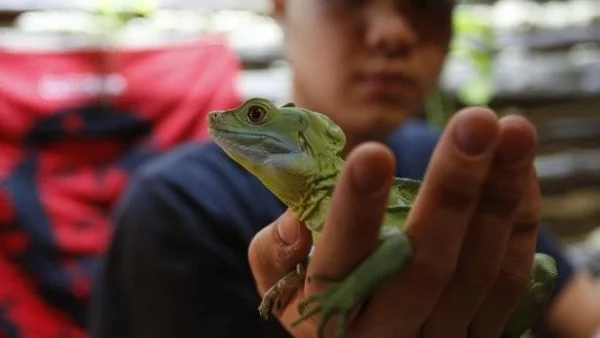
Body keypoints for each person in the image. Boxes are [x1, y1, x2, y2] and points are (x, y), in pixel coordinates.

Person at [90, 0, 600, 337]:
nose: (393, 34)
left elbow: (564, 295)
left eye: (426, 3)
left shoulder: (453, 169)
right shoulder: (179, 207)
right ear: (281, 7)